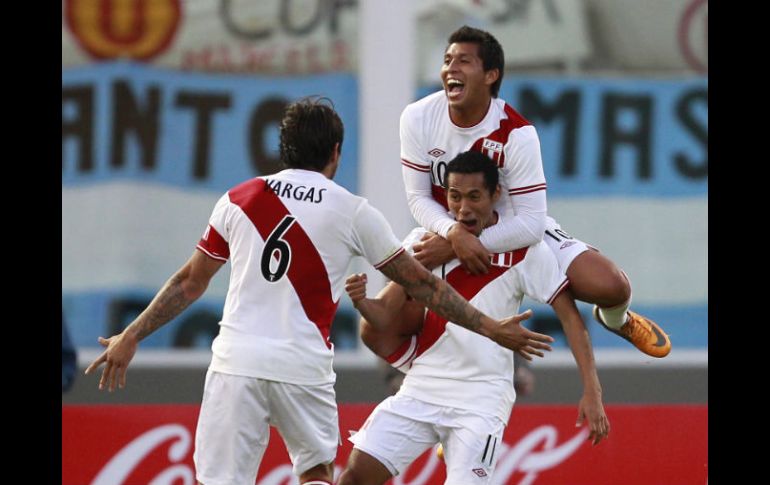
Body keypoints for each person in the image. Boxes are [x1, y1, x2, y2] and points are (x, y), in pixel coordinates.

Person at [84, 98, 555, 485]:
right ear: (335, 152)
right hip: (303, 368)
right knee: (315, 473)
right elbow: (423, 285)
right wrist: (491, 328)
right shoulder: (351, 210)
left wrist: (132, 334)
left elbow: (189, 282)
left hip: (236, 365)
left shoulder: (238, 199)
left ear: (283, 148)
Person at [337, 151, 608, 485]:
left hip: (481, 400)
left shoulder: (524, 250)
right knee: (353, 478)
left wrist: (592, 392)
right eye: (454, 196)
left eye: (474, 197)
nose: (463, 208)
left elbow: (570, 318)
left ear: (496, 195)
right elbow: (382, 316)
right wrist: (362, 302)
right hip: (422, 387)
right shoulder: (422, 243)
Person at [399, 25, 671, 358]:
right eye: (447, 60)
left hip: (509, 229)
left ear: (490, 75)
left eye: (464, 61)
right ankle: (408, 373)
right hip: (446, 229)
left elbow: (530, 222)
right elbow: (418, 198)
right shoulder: (417, 117)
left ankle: (617, 320)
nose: (451, 69)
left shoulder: (517, 133)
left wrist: (465, 245)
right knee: (387, 313)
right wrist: (453, 233)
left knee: (612, 286)